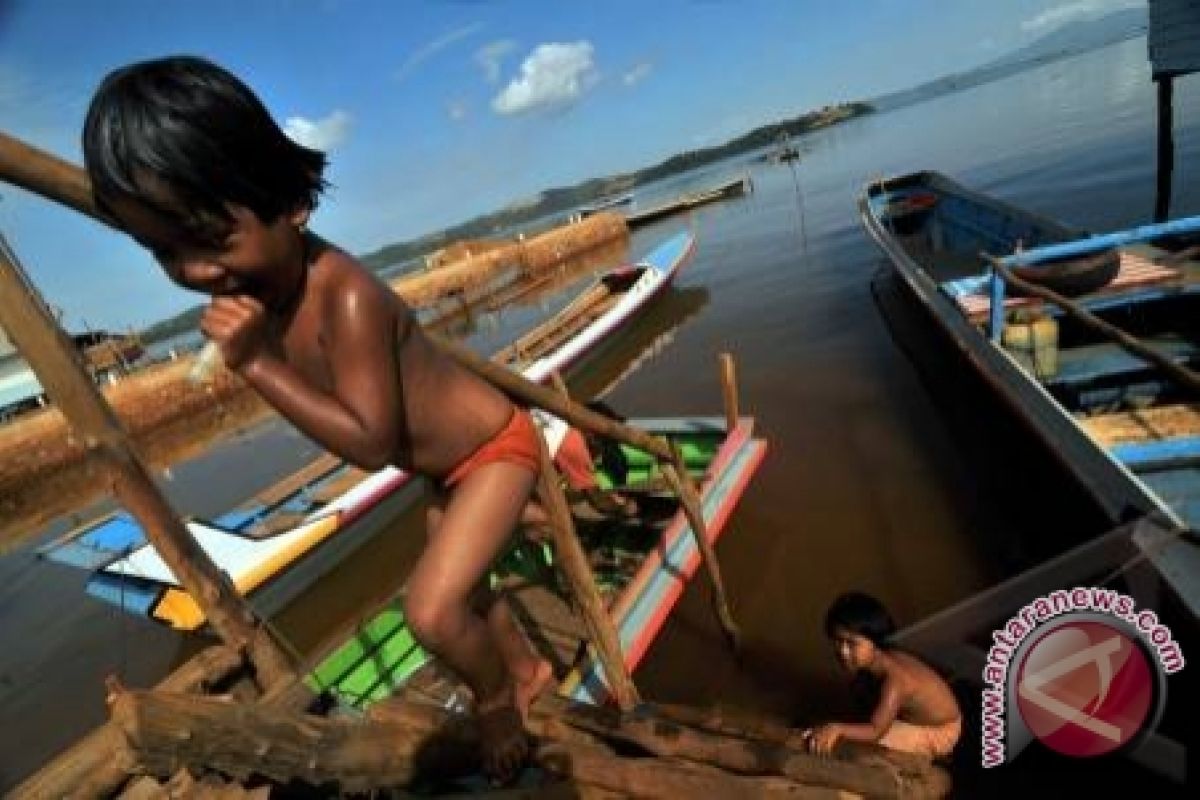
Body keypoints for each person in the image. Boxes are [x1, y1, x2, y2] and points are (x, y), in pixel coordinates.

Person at [82, 55, 551, 780]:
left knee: (431, 612)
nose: (198, 273)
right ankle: (524, 667)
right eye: (166, 252)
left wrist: (258, 362)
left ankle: (497, 698)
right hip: (445, 470)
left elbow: (369, 444)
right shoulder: (268, 292)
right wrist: (260, 346)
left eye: (211, 239)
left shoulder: (349, 297)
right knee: (472, 595)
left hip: (493, 449)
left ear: (293, 204)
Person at [805, 592, 961, 760]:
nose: (843, 651)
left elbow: (875, 731)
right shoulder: (877, 660)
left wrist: (838, 729)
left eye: (852, 643)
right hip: (905, 716)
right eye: (838, 641)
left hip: (940, 731)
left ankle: (930, 752)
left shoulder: (896, 681)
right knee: (845, 719)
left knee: (866, 747)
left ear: (875, 642)